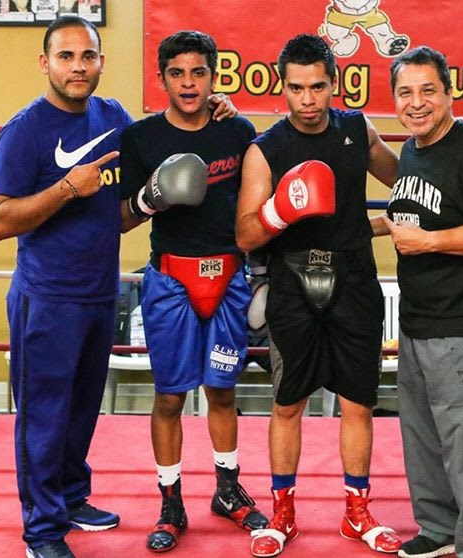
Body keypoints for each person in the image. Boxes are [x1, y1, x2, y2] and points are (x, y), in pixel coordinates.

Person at [235, 33, 400, 558]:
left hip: (355, 280)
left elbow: (405, 178)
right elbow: (244, 235)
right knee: (288, 404)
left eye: (317, 87)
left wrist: (443, 144)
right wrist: (281, 211)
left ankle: (357, 512)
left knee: (358, 404)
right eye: (296, 88)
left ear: (336, 85)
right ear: (282, 87)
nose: (307, 100)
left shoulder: (356, 129)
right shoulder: (267, 149)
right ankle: (282, 513)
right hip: (292, 281)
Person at [119, 30, 268, 553]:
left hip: (228, 278)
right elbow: (117, 221)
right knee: (169, 395)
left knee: (223, 390)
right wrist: (149, 198)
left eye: (198, 73)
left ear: (214, 77)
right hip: (172, 281)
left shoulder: (238, 130)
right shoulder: (141, 138)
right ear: (161, 79)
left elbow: (256, 204)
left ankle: (227, 491)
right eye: (177, 73)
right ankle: (171, 502)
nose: (188, 83)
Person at [0, 16, 130, 558]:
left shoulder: (113, 116)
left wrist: (217, 113)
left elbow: (119, 206)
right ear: (45, 63)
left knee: (80, 412)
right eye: (66, 56)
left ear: (100, 61)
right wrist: (68, 186)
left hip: (99, 293)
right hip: (46, 298)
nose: (78, 66)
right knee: (44, 417)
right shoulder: (26, 130)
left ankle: (70, 498)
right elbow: (0, 221)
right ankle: (42, 531)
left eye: (87, 56)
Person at [373, 46, 463, 558]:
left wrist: (433, 243)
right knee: (426, 440)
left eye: (428, 91)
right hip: (418, 320)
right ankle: (440, 527)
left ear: (449, 93)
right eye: (406, 92)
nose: (417, 103)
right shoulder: (414, 150)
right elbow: (420, 213)